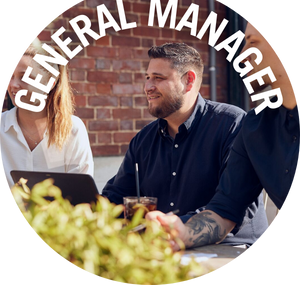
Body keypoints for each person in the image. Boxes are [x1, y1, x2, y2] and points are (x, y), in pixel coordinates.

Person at [146, 24, 299, 250]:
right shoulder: (256, 127)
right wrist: (182, 231)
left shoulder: (231, 122)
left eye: (253, 42)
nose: (242, 55)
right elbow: (226, 208)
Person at [102, 42, 268, 246]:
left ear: (188, 80)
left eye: (158, 78)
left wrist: (179, 231)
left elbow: (229, 207)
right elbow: (116, 198)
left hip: (231, 251)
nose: (148, 87)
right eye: (147, 78)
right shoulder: (143, 140)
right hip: (164, 248)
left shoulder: (231, 124)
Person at [1, 38, 94, 187]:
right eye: (10, 76)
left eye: (24, 76)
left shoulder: (73, 130)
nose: (13, 85)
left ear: (49, 83)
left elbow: (81, 194)